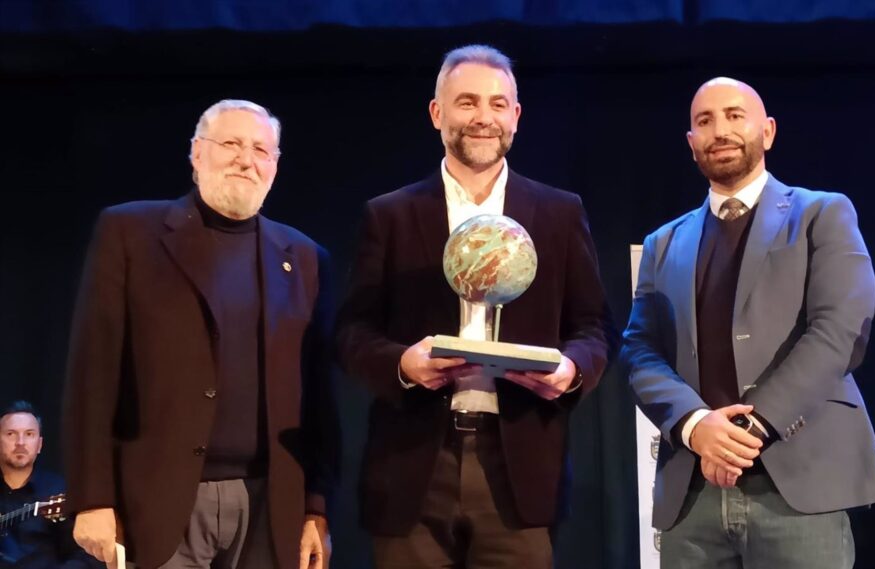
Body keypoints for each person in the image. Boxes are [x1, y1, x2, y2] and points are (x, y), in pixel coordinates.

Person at [336, 45, 612, 569]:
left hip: (519, 467)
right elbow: (352, 332)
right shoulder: (390, 215)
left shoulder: (558, 213)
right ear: (438, 113)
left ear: (516, 115)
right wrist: (401, 364)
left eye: (497, 103)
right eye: (466, 103)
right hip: (414, 465)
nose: (483, 118)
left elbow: (594, 325)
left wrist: (572, 369)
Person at [622, 77, 875, 568]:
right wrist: (697, 425)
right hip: (693, 493)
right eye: (705, 121)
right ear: (691, 144)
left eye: (734, 115)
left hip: (799, 486)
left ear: (767, 131)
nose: (720, 129)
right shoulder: (663, 243)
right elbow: (639, 350)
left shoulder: (822, 213)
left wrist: (752, 428)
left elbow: (840, 331)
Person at [62, 100, 336, 569]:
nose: (245, 159)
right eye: (230, 144)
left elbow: (319, 401)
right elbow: (94, 374)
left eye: (260, 150)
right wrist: (92, 499)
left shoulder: (306, 258)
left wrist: (316, 508)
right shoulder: (129, 233)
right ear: (196, 153)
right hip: (159, 500)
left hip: (271, 506)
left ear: (274, 165)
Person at [1, 401, 99, 569]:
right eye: (11, 434)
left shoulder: (58, 490)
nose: (21, 442)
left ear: (39, 445)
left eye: (29, 434)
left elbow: (85, 554)